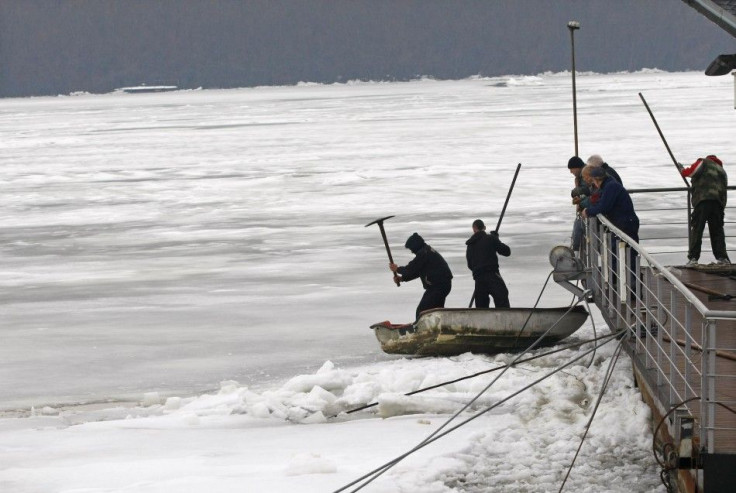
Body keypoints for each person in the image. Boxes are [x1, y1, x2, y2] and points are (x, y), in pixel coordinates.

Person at [678, 155, 730, 266]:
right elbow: (724, 191)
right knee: (717, 231)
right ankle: (722, 258)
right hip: (718, 204)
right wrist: (721, 207)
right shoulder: (722, 171)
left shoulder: (704, 162)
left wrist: (682, 170)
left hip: (703, 201)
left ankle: (693, 258)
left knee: (697, 229)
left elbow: (692, 172)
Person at [390, 233, 453, 320]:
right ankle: (437, 327)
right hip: (443, 285)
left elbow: (411, 269)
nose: (412, 251)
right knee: (435, 311)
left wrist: (397, 269)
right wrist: (402, 278)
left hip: (438, 286)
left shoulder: (424, 253)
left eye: (411, 249)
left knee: (422, 311)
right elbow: (418, 271)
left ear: (415, 246)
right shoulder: (426, 251)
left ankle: (422, 329)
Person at [465, 219, 511, 308]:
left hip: (478, 279)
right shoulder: (490, 238)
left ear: (474, 229)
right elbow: (507, 252)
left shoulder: (470, 246)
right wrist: (496, 240)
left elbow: (470, 265)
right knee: (502, 298)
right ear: (484, 227)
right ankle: (504, 320)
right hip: (492, 275)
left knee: (481, 307)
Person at [568, 156, 589, 252]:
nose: (571, 172)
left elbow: (587, 190)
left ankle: (575, 251)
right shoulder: (581, 176)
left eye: (571, 169)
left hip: (589, 210)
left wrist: (575, 192)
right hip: (586, 206)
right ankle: (575, 250)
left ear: (577, 167)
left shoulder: (585, 174)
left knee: (578, 226)